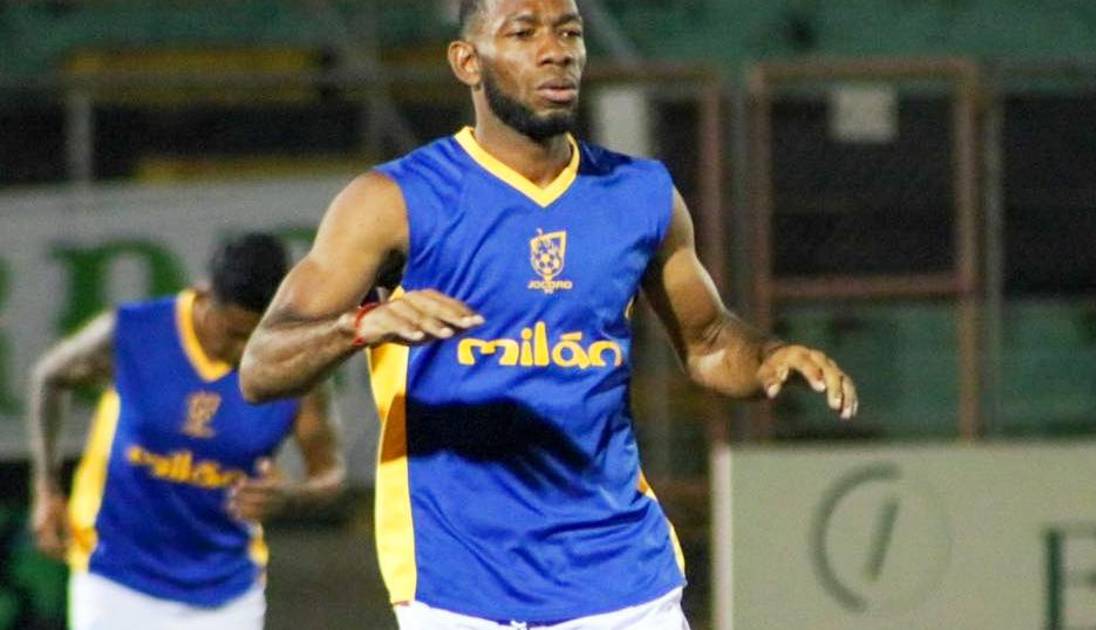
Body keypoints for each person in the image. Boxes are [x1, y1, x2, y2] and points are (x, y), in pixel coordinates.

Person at [239, 0, 858, 627]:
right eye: (523, 32)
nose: (555, 50)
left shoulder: (640, 194)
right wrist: (358, 326)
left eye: (569, 32)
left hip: (622, 577)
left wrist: (769, 358)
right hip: (460, 587)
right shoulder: (393, 200)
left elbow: (710, 342)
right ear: (467, 61)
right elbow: (261, 368)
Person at [27, 233, 345, 630]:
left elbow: (329, 474)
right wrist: (46, 488)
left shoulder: (296, 368)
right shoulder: (136, 332)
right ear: (205, 294)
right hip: (115, 574)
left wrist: (291, 497)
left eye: (256, 336)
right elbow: (50, 377)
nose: (243, 351)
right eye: (234, 333)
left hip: (226, 592)